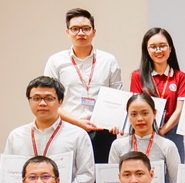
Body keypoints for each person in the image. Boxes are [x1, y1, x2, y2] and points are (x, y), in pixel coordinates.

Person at [43, 8, 124, 165]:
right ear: (67, 32)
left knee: (102, 177)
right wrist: (77, 122)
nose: (81, 33)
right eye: (75, 29)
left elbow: (117, 97)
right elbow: (50, 101)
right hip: (67, 129)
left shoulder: (108, 60)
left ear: (94, 32)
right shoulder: (56, 61)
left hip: (102, 132)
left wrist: (115, 121)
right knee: (66, 176)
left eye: (86, 28)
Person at [3, 76, 94, 183]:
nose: (42, 103)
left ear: (60, 101)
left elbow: (86, 174)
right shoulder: (16, 136)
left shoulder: (78, 135)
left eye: (49, 98)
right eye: (36, 98)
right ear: (29, 101)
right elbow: (8, 173)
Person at [108, 94, 180, 183]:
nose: (140, 119)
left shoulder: (167, 146)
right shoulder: (117, 146)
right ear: (128, 116)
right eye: (134, 114)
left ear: (154, 113)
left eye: (145, 113)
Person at [130, 27, 185, 160]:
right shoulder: (137, 76)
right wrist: (151, 132)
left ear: (170, 48)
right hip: (145, 131)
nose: (158, 50)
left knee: (175, 170)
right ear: (146, 50)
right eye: (153, 47)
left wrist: (162, 131)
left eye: (162, 46)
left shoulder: (180, 76)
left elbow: (179, 110)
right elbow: (135, 107)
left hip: (172, 131)